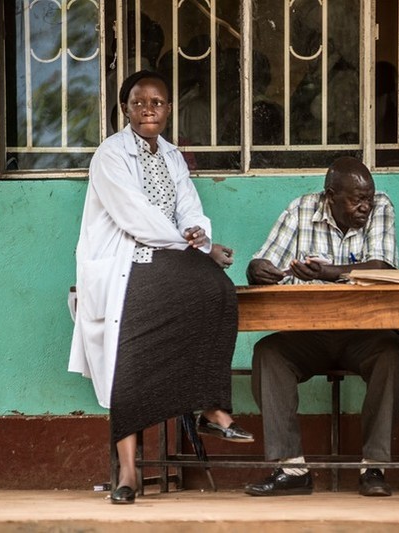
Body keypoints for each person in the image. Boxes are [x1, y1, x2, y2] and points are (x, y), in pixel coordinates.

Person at [68, 70, 252, 505]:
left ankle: (210, 406)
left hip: (167, 256)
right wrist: (193, 245)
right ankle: (128, 471)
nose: (149, 108)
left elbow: (188, 204)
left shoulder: (171, 156)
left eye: (158, 102)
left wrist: (196, 233)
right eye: (139, 102)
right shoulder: (110, 156)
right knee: (129, 356)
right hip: (125, 262)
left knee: (218, 293)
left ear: (169, 109)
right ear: (125, 109)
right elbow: (135, 217)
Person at [244, 156, 399, 497]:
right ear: (330, 196)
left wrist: (326, 273)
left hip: (366, 333)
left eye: (368, 197)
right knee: (268, 354)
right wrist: (258, 270)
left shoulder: (380, 207)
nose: (365, 206)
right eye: (356, 199)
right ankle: (292, 469)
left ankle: (373, 467)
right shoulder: (301, 210)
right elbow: (264, 260)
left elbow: (381, 267)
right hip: (310, 333)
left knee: (391, 356)